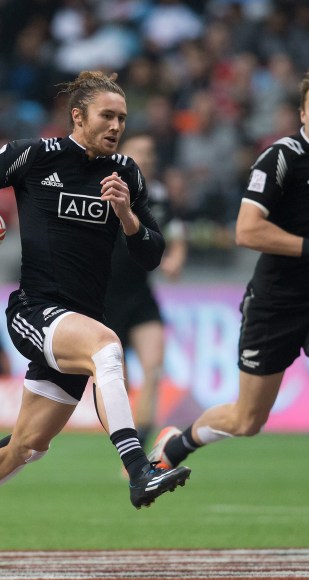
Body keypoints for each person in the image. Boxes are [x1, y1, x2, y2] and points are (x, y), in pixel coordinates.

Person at [0, 70, 191, 568]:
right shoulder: (34, 156)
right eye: (107, 116)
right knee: (107, 348)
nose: (116, 126)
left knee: (27, 446)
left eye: (123, 118)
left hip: (79, 321)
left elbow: (153, 254)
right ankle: (138, 470)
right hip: (35, 312)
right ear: (78, 116)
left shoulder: (126, 173)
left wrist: (128, 217)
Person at [147, 63, 309, 555]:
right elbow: (246, 231)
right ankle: (175, 445)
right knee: (247, 420)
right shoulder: (280, 159)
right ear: (302, 113)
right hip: (274, 304)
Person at [102, 133, 187, 447]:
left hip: (140, 294)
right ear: (122, 155)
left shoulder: (160, 196)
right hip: (105, 297)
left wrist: (175, 259)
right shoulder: (105, 188)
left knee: (153, 368)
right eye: (139, 151)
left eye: (150, 152)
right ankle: (127, 446)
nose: (146, 157)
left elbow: (177, 234)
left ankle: (142, 441)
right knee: (118, 381)